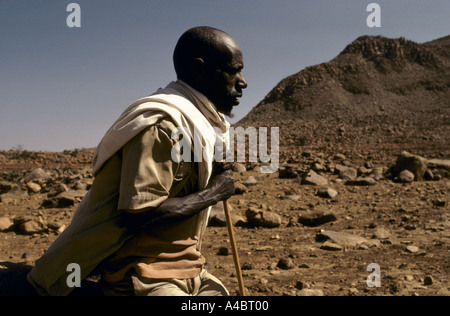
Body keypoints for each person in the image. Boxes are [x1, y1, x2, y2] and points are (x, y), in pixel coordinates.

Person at [27, 26, 247, 296]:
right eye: (233, 70)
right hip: (143, 275)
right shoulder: (163, 124)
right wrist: (214, 192)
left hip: (192, 271)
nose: (242, 82)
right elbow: (140, 215)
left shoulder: (200, 124)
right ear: (200, 70)